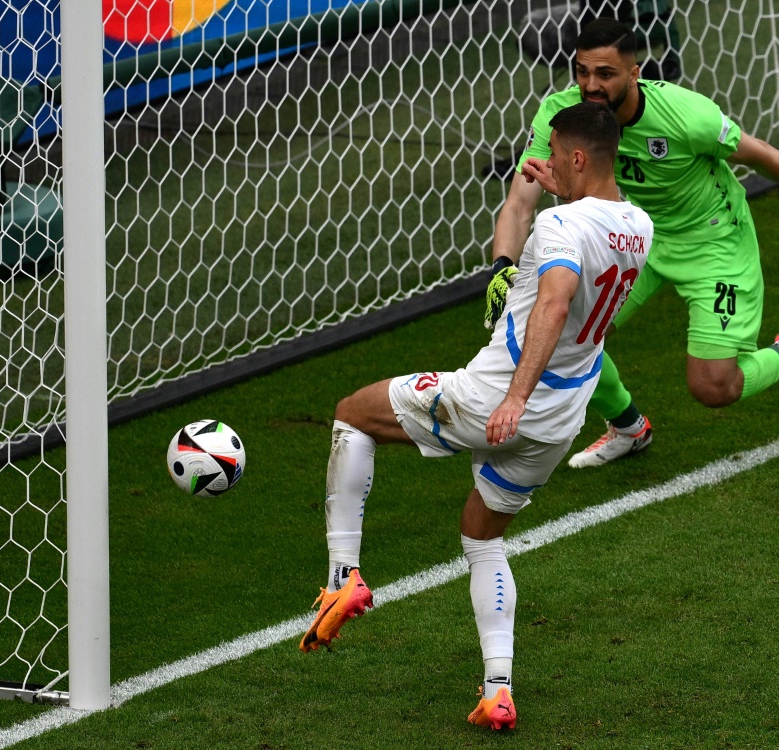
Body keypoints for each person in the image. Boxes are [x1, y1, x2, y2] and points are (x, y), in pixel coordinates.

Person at [299, 102, 653, 731]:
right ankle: (497, 690)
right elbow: (585, 261)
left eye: (554, 155)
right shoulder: (638, 226)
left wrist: (513, 396)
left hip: (494, 397)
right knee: (481, 534)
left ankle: (341, 576)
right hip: (562, 417)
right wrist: (557, 200)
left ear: (575, 156)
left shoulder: (560, 229)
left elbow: (555, 300)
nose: (542, 163)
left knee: (352, 415)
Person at [485, 18, 779, 469]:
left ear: (635, 73)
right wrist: (502, 266)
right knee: (564, 337)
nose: (590, 86)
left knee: (714, 387)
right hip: (635, 238)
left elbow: (760, 154)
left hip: (715, 240)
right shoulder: (565, 118)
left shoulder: (686, 115)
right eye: (582, 72)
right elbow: (520, 203)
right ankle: (628, 427)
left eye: (605, 74)